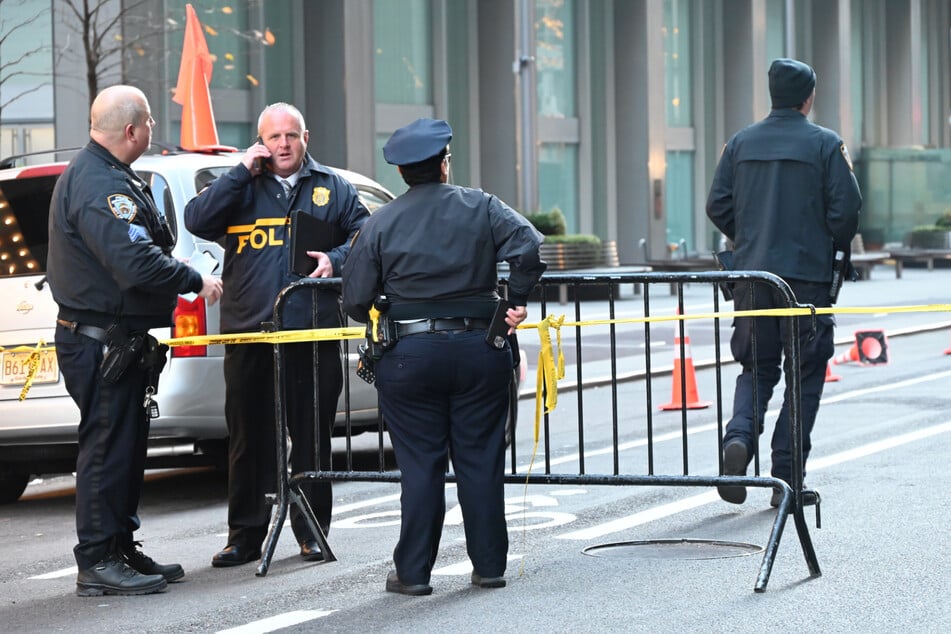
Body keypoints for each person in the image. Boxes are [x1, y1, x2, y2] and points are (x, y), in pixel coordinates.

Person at [341, 118, 546, 595]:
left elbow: (353, 299)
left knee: (419, 466)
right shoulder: (481, 205)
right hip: (480, 349)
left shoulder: (380, 223)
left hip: (409, 355)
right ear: (444, 164)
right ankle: (490, 565)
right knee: (480, 459)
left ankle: (413, 574)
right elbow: (529, 246)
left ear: (403, 173)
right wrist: (514, 301)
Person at [46, 85, 223, 596]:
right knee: (106, 449)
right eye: (149, 122)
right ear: (132, 130)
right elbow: (134, 260)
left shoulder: (108, 175)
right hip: (101, 342)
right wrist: (195, 280)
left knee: (123, 449)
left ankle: (120, 548)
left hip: (116, 340)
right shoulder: (100, 183)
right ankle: (98, 559)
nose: (152, 130)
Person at [184, 103, 369, 567]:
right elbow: (196, 220)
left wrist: (337, 260)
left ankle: (311, 533)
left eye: (290, 135)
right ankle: (244, 537)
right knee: (249, 439)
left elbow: (367, 235)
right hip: (251, 332)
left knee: (310, 438)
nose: (282, 145)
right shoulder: (240, 185)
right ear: (259, 142)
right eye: (273, 137)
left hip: (310, 334)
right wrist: (238, 173)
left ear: (306, 136)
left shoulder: (333, 187)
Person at [706, 59, 862, 507]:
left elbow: (717, 204)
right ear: (808, 98)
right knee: (805, 373)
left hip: (752, 276)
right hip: (807, 280)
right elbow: (846, 212)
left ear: (771, 94)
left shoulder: (739, 143)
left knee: (757, 366)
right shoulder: (826, 144)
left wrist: (752, 238)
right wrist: (822, 242)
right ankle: (786, 477)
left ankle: (737, 440)